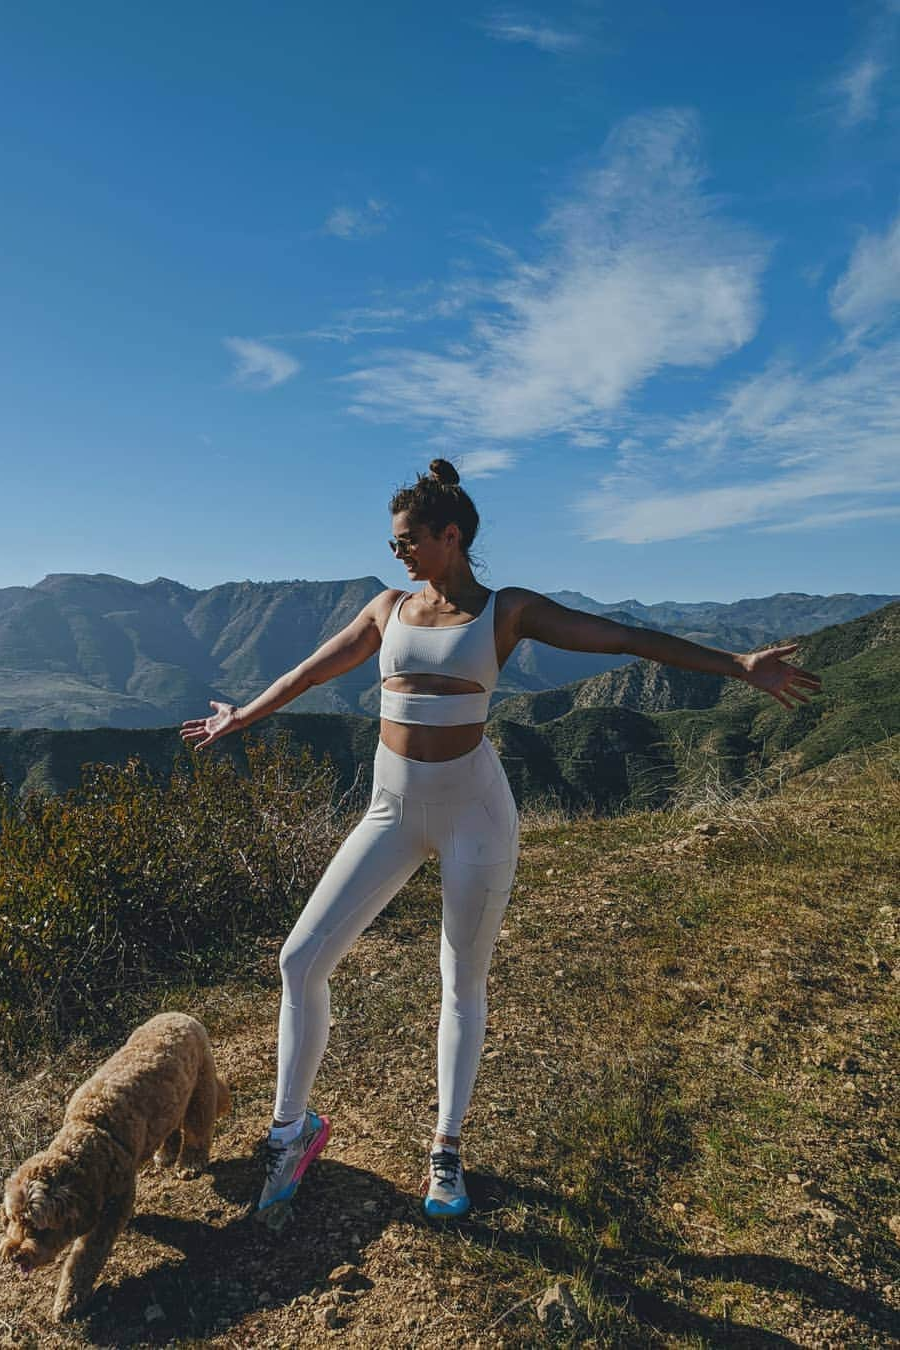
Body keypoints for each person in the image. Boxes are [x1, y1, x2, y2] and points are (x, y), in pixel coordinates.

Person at [180, 459, 820, 1220]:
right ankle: (292, 1131)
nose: (397, 553)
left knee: (461, 982)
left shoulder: (506, 611)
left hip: (474, 816)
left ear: (450, 536)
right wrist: (241, 717)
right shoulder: (386, 609)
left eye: (408, 539)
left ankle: (445, 1151)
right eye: (392, 542)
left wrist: (737, 664)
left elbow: (623, 639)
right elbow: (311, 674)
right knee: (300, 959)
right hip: (390, 811)